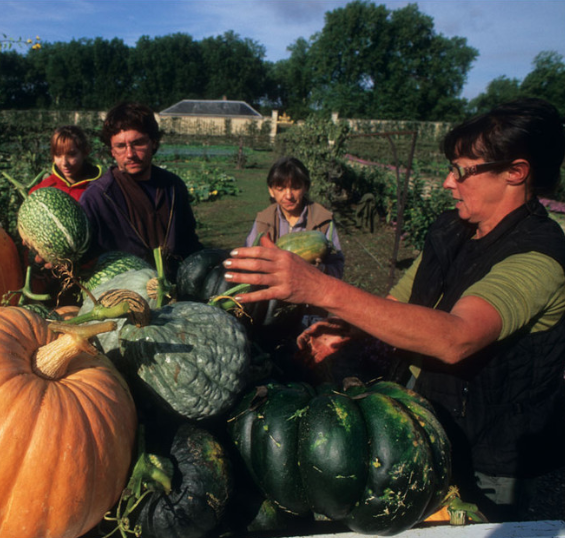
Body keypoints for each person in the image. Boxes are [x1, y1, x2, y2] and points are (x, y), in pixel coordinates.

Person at [222, 97, 565, 521]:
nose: (446, 182)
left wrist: (319, 288)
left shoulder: (539, 257)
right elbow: (401, 300)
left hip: (491, 451)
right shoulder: (454, 228)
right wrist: (349, 327)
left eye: (461, 170)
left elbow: (456, 336)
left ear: (516, 172)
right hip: (428, 420)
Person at [79, 102, 203, 276]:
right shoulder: (97, 197)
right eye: (121, 146)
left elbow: (189, 243)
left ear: (153, 142)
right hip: (120, 296)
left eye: (138, 143)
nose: (130, 154)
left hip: (176, 291)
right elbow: (79, 254)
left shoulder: (173, 186)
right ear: (112, 151)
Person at [246, 156, 344, 279]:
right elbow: (249, 260)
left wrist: (321, 269)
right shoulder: (263, 221)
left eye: (295, 188)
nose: (288, 196)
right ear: (271, 191)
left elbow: (338, 269)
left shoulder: (323, 220)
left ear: (305, 188)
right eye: (280, 189)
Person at [29, 125, 102, 201]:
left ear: (85, 152)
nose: (64, 163)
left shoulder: (100, 190)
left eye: (71, 154)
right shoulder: (43, 189)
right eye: (58, 155)